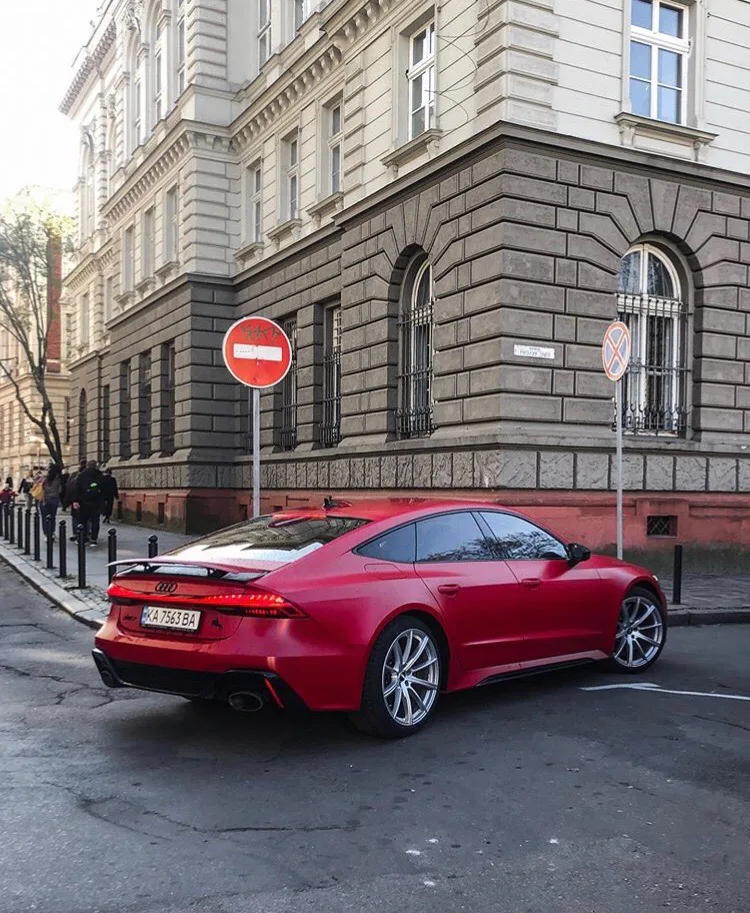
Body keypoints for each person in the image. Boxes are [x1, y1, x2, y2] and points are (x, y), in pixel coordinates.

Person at [73, 460, 104, 546]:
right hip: (96, 502)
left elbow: (77, 489)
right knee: (95, 521)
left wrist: (75, 500)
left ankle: (82, 538)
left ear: (87, 465)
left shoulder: (81, 475)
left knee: (83, 521)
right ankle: (94, 539)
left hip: (84, 502)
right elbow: (103, 490)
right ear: (96, 466)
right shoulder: (99, 475)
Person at [63, 460, 87, 541]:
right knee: (86, 518)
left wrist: (68, 501)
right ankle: (85, 533)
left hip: (75, 500)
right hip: (85, 501)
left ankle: (76, 533)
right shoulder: (89, 476)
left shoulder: (74, 475)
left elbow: (68, 487)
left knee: (75, 517)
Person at [40, 464, 63, 538]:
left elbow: (41, 487)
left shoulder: (45, 478)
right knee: (52, 517)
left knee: (44, 518)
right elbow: (60, 490)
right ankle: (52, 532)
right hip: (54, 499)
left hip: (44, 500)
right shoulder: (58, 479)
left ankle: (46, 534)